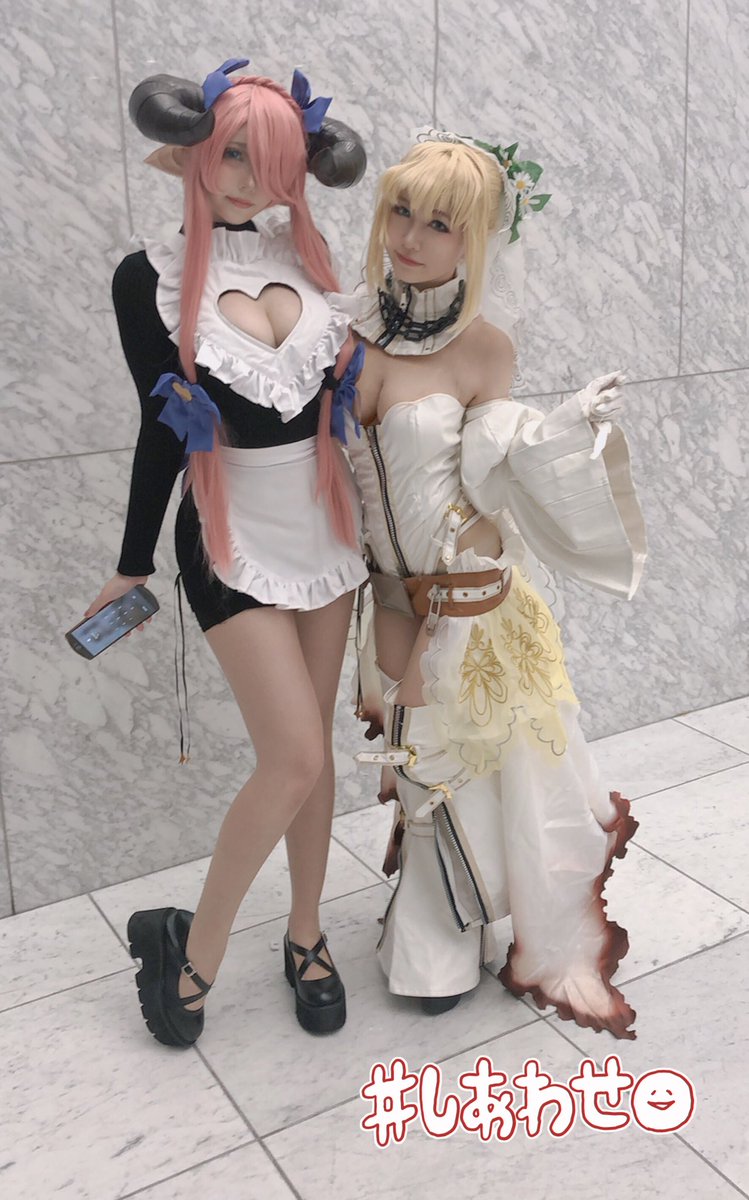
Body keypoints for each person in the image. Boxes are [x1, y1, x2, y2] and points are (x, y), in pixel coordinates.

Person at [84, 58, 368, 1046]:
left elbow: (347, 405)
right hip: (226, 530)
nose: (253, 179)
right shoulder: (149, 277)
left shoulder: (314, 265)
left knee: (313, 751)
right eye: (237, 154)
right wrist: (132, 561)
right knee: (290, 755)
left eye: (275, 163)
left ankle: (305, 934)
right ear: (195, 149)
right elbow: (162, 425)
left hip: (325, 523)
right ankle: (189, 954)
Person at [340, 130, 647, 1039]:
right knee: (413, 762)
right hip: (380, 593)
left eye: (441, 224)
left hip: (469, 594)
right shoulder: (341, 338)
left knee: (458, 765)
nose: (411, 237)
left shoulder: (484, 348)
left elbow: (493, 469)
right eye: (401, 211)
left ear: (477, 240)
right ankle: (441, 921)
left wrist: (561, 432)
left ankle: (437, 943)